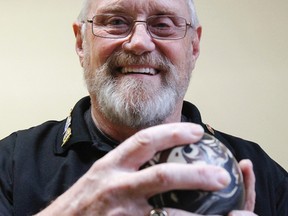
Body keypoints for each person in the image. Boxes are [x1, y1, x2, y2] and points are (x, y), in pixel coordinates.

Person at [0, 0, 287, 215]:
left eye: (162, 24)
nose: (139, 43)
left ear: (194, 46)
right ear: (80, 43)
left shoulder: (261, 171)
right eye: (115, 22)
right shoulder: (10, 163)